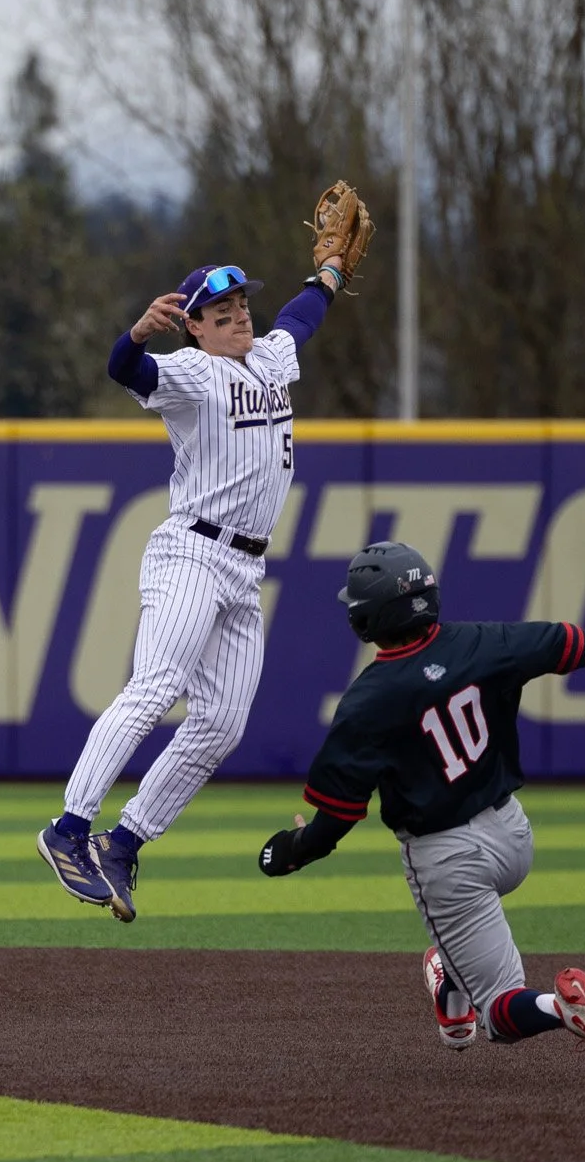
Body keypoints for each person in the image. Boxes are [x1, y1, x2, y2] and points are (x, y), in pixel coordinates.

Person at [37, 184, 374, 923]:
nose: (238, 318)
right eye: (221, 315)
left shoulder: (271, 355)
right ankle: (67, 828)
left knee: (222, 722)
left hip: (244, 570)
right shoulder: (192, 373)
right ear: (193, 327)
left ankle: (121, 845)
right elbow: (127, 373)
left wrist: (329, 274)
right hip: (191, 553)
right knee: (155, 686)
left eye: (240, 308)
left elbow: (299, 319)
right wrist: (134, 336)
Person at [256, 540, 585, 1067]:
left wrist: (289, 850)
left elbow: (336, 823)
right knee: (462, 968)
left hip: (448, 861)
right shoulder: (484, 642)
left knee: (501, 1015)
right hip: (513, 838)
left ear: (366, 617)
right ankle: (450, 992)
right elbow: (569, 647)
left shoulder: (366, 702)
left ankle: (564, 1009)